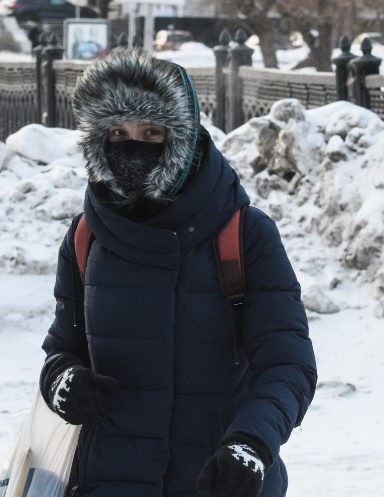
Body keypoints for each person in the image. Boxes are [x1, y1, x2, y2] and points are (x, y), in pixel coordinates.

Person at [39, 50, 316, 497]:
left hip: (219, 480)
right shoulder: (87, 236)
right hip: (110, 479)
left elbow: (288, 364)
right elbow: (62, 348)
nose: (132, 145)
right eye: (117, 131)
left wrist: (252, 443)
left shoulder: (243, 234)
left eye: (152, 131)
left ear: (182, 138)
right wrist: (63, 383)